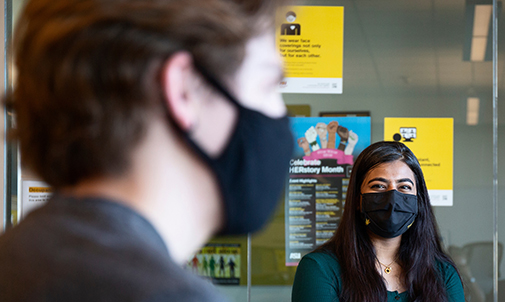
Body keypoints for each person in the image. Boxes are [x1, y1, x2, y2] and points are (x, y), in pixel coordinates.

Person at [0, 0, 293, 301]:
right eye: (268, 86)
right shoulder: (173, 295)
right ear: (184, 90)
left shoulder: (14, 261)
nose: (281, 114)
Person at [292, 141, 464, 302]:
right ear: (357, 200)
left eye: (404, 187)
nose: (393, 198)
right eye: (378, 186)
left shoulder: (443, 273)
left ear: (418, 201)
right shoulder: (320, 269)